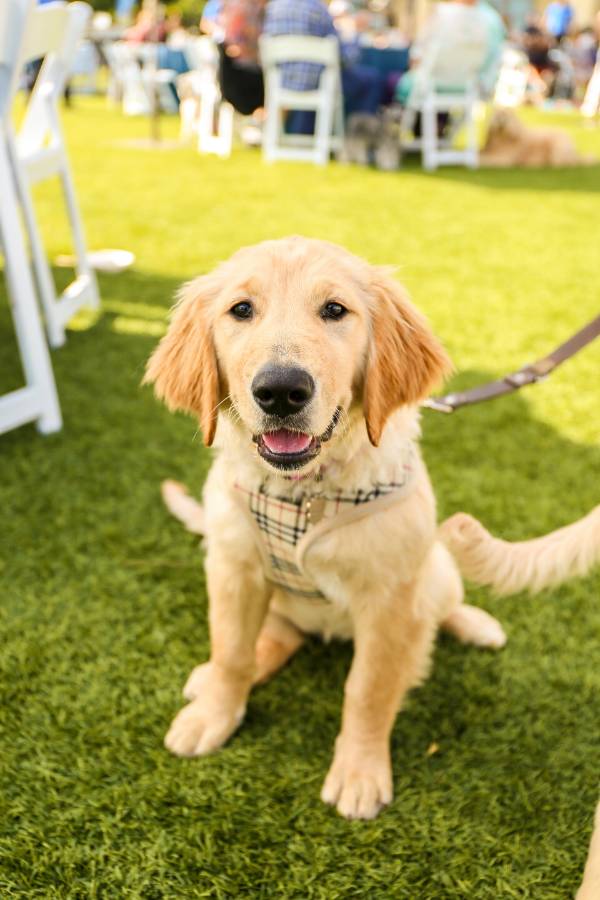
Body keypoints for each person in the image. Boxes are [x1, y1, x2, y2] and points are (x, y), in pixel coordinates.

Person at [262, 0, 386, 132]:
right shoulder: (317, 8)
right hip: (317, 83)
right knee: (372, 78)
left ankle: (301, 131)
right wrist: (356, 33)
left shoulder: (273, 7)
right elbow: (343, 56)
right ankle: (360, 136)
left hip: (280, 83)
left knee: (318, 76)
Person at [395, 0, 504, 106]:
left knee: (394, 79)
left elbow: (416, 54)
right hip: (467, 88)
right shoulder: (489, 20)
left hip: (429, 86)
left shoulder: (441, 14)